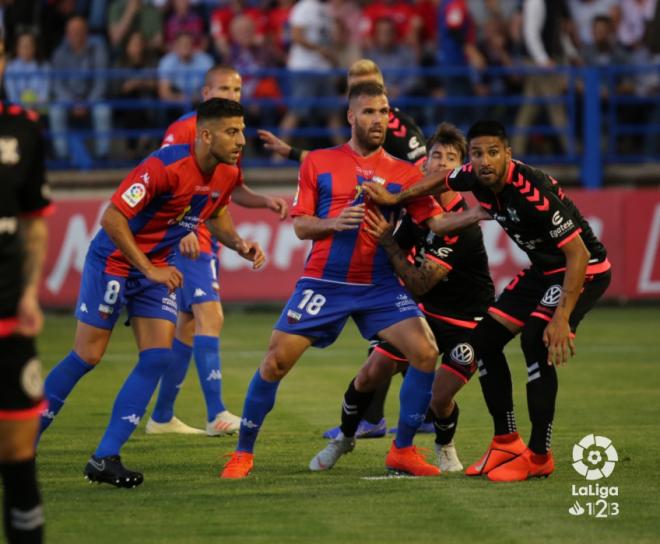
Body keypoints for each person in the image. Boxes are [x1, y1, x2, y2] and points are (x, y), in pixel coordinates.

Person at [220, 82, 487, 480]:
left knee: (425, 352)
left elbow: (437, 222)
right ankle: (242, 454)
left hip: (379, 285)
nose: (378, 120)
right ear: (350, 116)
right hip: (324, 283)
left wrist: (480, 213)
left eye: (383, 112)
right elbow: (301, 227)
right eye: (368, 112)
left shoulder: (404, 172)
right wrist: (332, 223)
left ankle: (402, 450)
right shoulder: (319, 163)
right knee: (275, 362)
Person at [363, 120, 611, 481]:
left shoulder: (531, 192)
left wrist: (562, 317)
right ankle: (505, 442)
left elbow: (578, 254)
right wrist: (397, 199)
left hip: (584, 270)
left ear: (507, 153)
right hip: (543, 268)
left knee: (534, 340)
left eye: (493, 152)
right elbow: (439, 180)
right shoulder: (474, 176)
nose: (484, 161)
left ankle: (540, 456)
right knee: (485, 341)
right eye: (477, 153)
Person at [38, 98, 266, 488]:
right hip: (115, 261)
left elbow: (216, 211)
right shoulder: (164, 166)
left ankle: (105, 457)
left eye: (242, 130)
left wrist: (239, 244)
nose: (241, 140)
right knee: (87, 355)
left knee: (158, 356)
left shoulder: (226, 172)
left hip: (155, 269)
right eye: (232, 131)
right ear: (206, 134)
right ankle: (18, 444)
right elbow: (112, 217)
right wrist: (148, 268)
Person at [308, 123, 495, 473]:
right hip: (423, 311)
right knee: (368, 375)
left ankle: (444, 446)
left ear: (460, 170)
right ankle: (344, 439)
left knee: (439, 397)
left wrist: (388, 242)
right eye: (435, 155)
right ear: (424, 163)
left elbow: (420, 281)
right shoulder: (414, 207)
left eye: (450, 158)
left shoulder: (461, 222)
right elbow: (397, 269)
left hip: (467, 320)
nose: (440, 163)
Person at [258, 58, 428, 439]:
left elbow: (424, 184)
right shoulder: (330, 155)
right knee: (281, 359)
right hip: (329, 277)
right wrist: (292, 155)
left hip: (387, 263)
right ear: (350, 108)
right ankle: (375, 417)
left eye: (379, 103)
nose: (377, 116)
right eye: (359, 88)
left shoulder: (405, 137)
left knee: (414, 349)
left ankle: (412, 423)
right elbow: (327, 169)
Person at [146, 65, 288, 437]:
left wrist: (263, 202)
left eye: (238, 88)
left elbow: (228, 190)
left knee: (190, 325)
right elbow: (164, 180)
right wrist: (178, 234)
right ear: (206, 92)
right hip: (186, 235)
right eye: (224, 87)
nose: (232, 93)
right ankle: (216, 414)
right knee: (211, 317)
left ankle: (162, 417)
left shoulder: (232, 132)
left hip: (204, 230)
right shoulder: (184, 129)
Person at [0, 103, 50, 544]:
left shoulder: (24, 128)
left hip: (8, 320)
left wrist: (30, 293)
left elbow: (34, 222)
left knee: (18, 454)